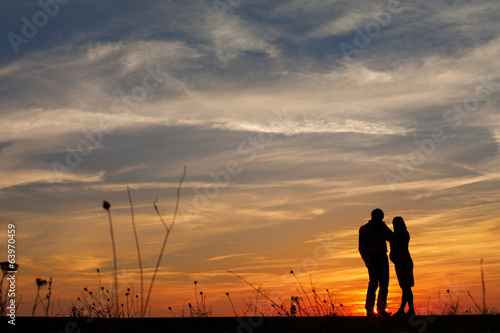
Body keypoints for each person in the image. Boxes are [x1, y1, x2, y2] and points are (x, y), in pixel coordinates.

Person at [358, 208, 394, 317]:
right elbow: (361, 247)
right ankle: (369, 310)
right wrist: (366, 260)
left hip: (382, 256)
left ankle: (381, 310)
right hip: (372, 257)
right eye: (379, 217)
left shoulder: (382, 227)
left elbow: (392, 238)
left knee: (384, 284)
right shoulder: (364, 229)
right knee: (373, 284)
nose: (380, 219)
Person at [390, 216, 415, 317]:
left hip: (403, 263)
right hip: (401, 262)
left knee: (406, 287)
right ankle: (409, 310)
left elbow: (400, 249)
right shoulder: (400, 234)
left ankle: (404, 309)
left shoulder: (401, 235)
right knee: (405, 287)